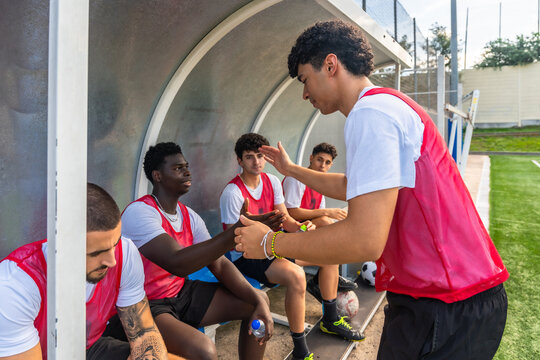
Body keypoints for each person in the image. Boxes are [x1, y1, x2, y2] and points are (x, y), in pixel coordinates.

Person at [234, 20, 509, 360]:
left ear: (330, 65)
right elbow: (354, 185)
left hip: (446, 302)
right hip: (450, 298)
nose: (305, 93)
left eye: (305, 79)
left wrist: (268, 243)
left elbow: (364, 239)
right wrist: (291, 170)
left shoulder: (371, 114)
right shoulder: (384, 106)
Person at [119, 142, 279, 360]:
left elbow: (220, 263)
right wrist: (234, 233)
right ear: (157, 176)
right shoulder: (140, 212)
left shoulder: (189, 215)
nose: (187, 171)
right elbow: (177, 262)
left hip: (181, 293)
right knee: (204, 350)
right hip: (149, 303)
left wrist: (259, 300)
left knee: (256, 303)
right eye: (177, 168)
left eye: (186, 166)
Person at [220, 133, 362, 360]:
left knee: (330, 255)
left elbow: (286, 219)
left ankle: (330, 319)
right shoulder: (232, 193)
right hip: (246, 255)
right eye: (249, 157)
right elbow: (232, 241)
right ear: (240, 161)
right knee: (296, 276)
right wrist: (263, 232)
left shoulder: (272, 181)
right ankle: (300, 350)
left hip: (275, 247)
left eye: (259, 156)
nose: (256, 162)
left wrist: (302, 227)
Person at [0, 183, 178, 360]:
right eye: (96, 253)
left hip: (87, 348)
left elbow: (144, 335)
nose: (112, 261)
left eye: (114, 244)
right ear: (61, 246)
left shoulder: (125, 253)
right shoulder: (15, 287)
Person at [282, 142, 357, 302]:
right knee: (326, 221)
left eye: (327, 162)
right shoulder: (296, 179)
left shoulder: (320, 184)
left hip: (306, 228)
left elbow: (315, 218)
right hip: (289, 231)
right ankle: (321, 279)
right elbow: (291, 213)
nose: (322, 165)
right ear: (310, 158)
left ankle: (322, 278)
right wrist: (327, 212)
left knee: (334, 228)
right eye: (319, 160)